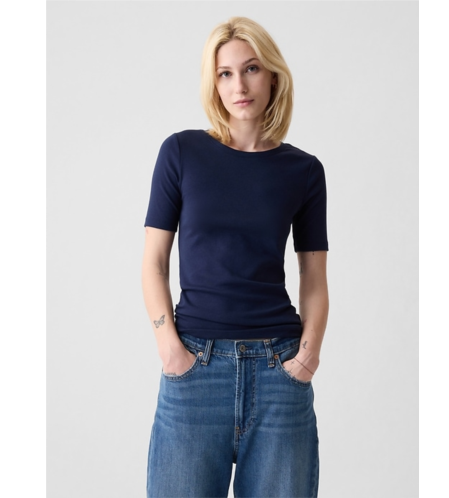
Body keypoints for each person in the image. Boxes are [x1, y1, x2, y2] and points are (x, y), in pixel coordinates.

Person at [142, 16, 329, 498]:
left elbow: (313, 275)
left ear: (273, 76)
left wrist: (307, 356)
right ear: (214, 82)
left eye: (251, 69)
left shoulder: (304, 171)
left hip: (278, 372)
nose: (239, 86)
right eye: (224, 73)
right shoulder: (181, 153)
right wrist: (169, 347)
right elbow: (154, 262)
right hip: (194, 369)